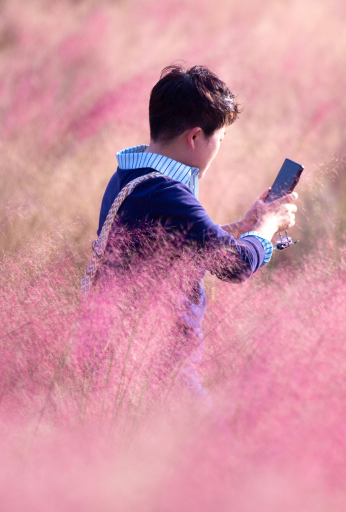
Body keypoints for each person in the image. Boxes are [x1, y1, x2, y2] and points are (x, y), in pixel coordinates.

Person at [83, 64, 298, 403]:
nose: (219, 149)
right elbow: (235, 264)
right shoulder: (167, 194)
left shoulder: (128, 177)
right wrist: (268, 226)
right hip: (162, 375)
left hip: (121, 365)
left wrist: (240, 228)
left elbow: (172, 241)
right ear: (195, 137)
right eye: (220, 140)